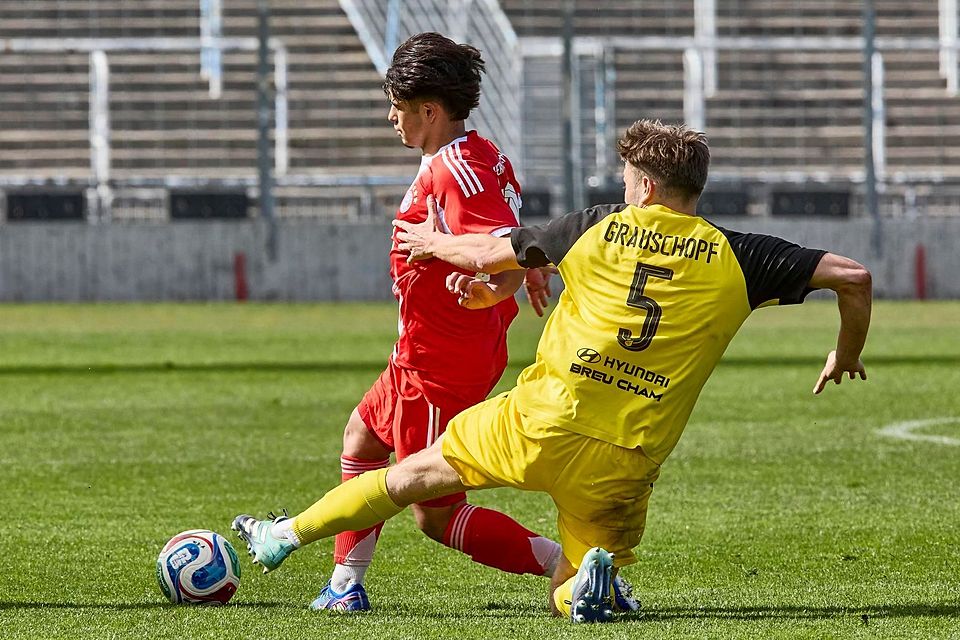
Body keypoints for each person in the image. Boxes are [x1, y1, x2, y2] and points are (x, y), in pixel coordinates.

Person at [233, 119, 871, 622]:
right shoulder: (742, 256)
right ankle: (588, 581)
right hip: (624, 458)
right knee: (578, 581)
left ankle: (283, 535)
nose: (624, 189)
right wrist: (847, 349)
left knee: (404, 479)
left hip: (539, 421)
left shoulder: (596, 227)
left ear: (644, 187)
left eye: (627, 179)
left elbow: (489, 249)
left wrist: (428, 244)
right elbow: (854, 276)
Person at [287, 32, 629, 614]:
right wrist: (511, 271)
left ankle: (567, 565)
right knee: (361, 437)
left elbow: (499, 249)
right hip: (425, 349)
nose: (390, 116)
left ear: (428, 109)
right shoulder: (482, 155)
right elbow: (512, 243)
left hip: (442, 360)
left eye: (397, 105)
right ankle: (346, 582)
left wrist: (488, 285)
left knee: (434, 512)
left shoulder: (454, 169)